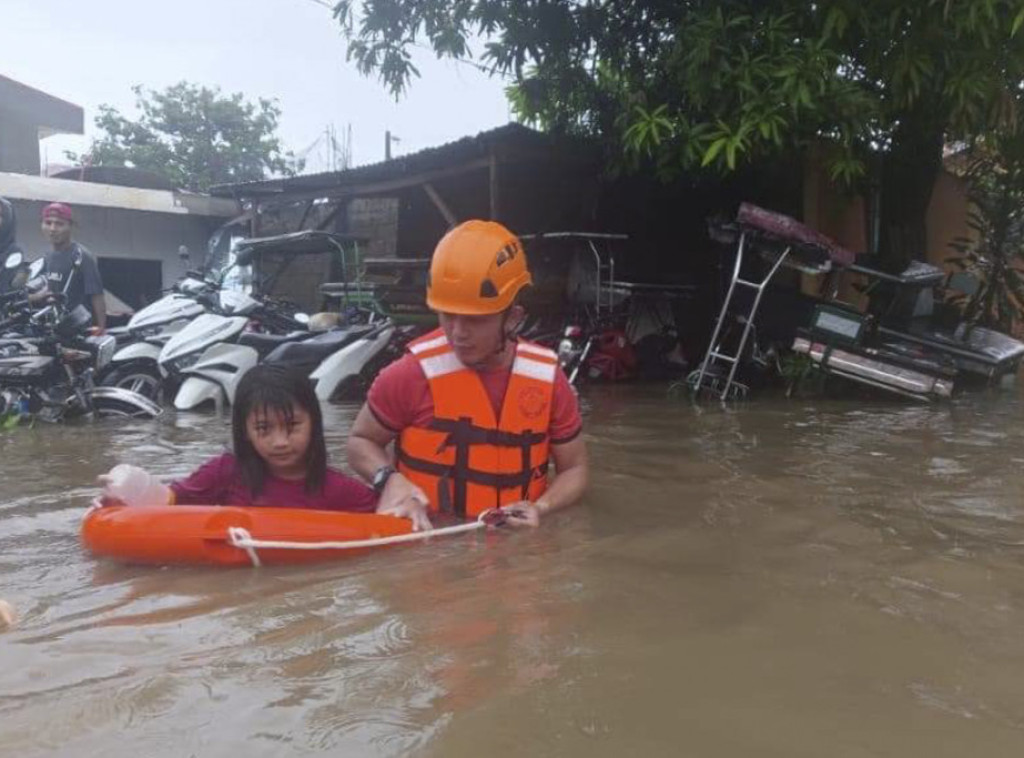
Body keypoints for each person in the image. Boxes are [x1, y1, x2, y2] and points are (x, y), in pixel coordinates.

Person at [347, 219, 588, 531]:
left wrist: (541, 506)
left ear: (513, 318)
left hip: (519, 551)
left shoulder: (549, 379)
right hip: (429, 547)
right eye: (448, 316)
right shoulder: (409, 374)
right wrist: (388, 480)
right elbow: (359, 441)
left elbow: (575, 469)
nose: (458, 333)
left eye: (475, 320)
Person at [98, 364, 377, 511]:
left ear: (314, 424)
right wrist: (126, 499)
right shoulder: (225, 472)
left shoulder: (338, 489)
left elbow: (392, 520)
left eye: (292, 426)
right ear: (245, 430)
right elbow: (169, 502)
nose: (280, 442)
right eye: (263, 429)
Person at [35, 202, 106, 333]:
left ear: (70, 226)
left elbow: (97, 295)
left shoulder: (82, 256)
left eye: (59, 224)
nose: (52, 228)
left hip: (78, 328)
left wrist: (101, 328)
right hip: (53, 328)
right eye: (48, 222)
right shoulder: (48, 256)